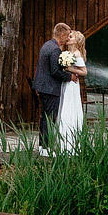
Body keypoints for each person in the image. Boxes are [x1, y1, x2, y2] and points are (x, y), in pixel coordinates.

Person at [32, 23, 73, 151]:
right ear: (61, 35)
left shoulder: (46, 45)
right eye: (66, 36)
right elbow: (55, 71)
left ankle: (42, 146)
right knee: (49, 118)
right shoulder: (55, 49)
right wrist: (70, 76)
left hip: (43, 86)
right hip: (50, 88)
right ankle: (46, 147)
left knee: (45, 117)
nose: (67, 39)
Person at [55, 30, 88, 152]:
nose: (68, 38)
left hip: (72, 85)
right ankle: (61, 141)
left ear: (76, 40)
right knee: (63, 107)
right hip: (66, 83)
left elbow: (84, 72)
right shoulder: (68, 52)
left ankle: (70, 143)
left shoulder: (77, 54)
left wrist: (70, 68)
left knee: (69, 109)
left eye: (71, 37)